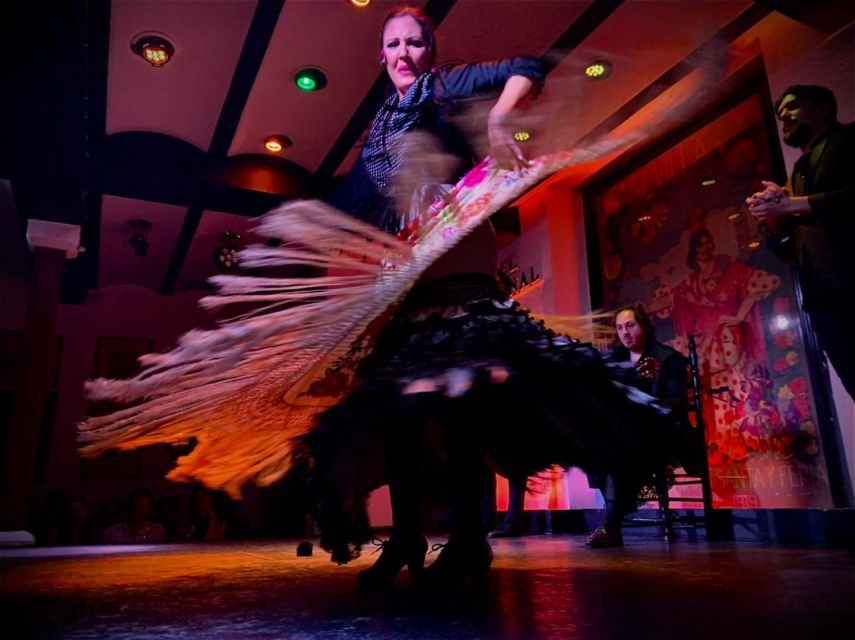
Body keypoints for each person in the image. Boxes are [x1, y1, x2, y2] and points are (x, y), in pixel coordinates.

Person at [747, 85, 855, 399]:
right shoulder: (795, 174)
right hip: (825, 304)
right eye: (780, 116)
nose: (785, 119)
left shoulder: (849, 140)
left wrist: (792, 205)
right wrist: (771, 217)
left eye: (792, 108)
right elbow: (788, 249)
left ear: (822, 109)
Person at [586, 303, 694, 548]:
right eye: (620, 327)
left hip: (662, 434)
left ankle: (611, 526)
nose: (625, 332)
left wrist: (644, 404)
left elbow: (676, 403)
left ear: (644, 325)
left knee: (619, 452)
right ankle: (614, 520)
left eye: (630, 325)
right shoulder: (615, 361)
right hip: (625, 436)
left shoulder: (668, 358)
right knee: (596, 452)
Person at [103, 487, 167, 544]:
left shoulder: (158, 531)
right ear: (131, 507)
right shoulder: (113, 532)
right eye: (138, 506)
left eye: (146, 507)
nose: (142, 511)